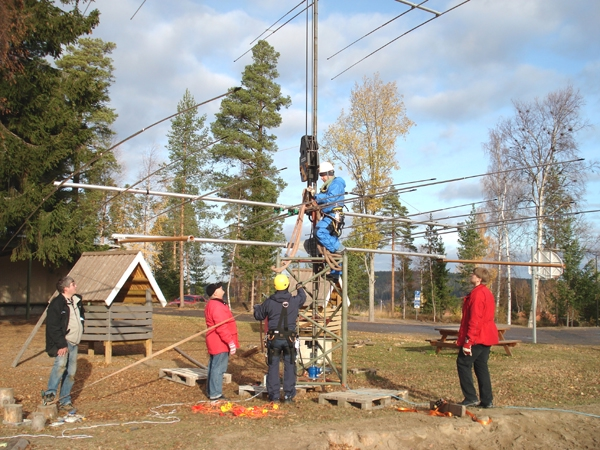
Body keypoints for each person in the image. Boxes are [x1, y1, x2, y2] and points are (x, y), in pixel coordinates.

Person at [253, 274, 306, 403]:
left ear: (275, 286)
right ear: (287, 285)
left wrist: (256, 308)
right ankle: (288, 395)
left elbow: (259, 316)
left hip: (274, 339)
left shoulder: (269, 302)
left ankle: (274, 396)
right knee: (289, 366)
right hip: (289, 340)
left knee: (273, 366)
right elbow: (302, 298)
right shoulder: (294, 301)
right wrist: (299, 287)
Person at [456, 267, 499, 408]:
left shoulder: (478, 294)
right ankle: (487, 400)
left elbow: (475, 319)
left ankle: (471, 397)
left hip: (478, 336)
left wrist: (468, 341)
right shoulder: (486, 292)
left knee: (463, 363)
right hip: (486, 335)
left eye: (474, 274)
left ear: (479, 278)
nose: (471, 275)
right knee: (481, 366)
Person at [42, 276, 85, 413]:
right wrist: (61, 345)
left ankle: (65, 401)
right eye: (73, 284)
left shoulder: (77, 301)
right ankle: (49, 396)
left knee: (71, 373)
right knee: (60, 367)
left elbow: (81, 317)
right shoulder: (57, 304)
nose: (75, 286)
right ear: (66, 288)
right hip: (63, 342)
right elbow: (53, 327)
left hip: (74, 342)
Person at [204, 282, 238, 402]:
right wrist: (230, 341)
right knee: (218, 368)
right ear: (215, 292)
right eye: (220, 288)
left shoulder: (215, 304)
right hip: (219, 341)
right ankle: (216, 394)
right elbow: (221, 327)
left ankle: (211, 391)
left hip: (216, 340)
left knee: (213, 366)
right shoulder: (216, 306)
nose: (222, 289)